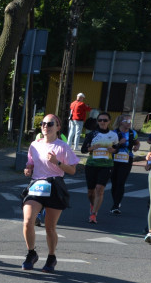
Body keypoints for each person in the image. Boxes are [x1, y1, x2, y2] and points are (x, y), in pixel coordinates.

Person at [21, 114, 78, 271]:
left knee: (49, 227)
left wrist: (57, 163)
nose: (46, 126)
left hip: (54, 185)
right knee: (27, 221)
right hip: (37, 185)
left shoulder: (62, 147)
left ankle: (51, 256)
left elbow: (73, 170)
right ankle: (31, 253)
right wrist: (28, 168)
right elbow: (30, 162)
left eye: (50, 123)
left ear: (58, 127)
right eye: (43, 123)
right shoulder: (34, 145)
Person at [81, 111, 118, 224]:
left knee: (99, 189)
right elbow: (83, 150)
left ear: (109, 122)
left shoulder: (114, 135)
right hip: (92, 165)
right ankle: (93, 205)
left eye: (105, 120)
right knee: (90, 192)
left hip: (106, 165)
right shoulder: (92, 134)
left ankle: (93, 215)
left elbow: (116, 149)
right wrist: (92, 148)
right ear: (97, 121)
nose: (102, 122)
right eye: (100, 120)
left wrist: (114, 150)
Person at [109, 115, 139, 215]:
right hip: (114, 158)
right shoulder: (114, 133)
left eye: (130, 121)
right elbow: (109, 146)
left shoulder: (132, 132)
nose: (129, 122)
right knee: (114, 181)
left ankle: (116, 205)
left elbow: (137, 142)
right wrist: (119, 144)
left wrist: (136, 147)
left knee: (121, 182)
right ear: (121, 122)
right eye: (126, 121)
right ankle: (115, 201)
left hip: (127, 158)